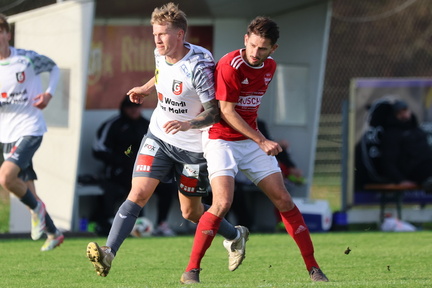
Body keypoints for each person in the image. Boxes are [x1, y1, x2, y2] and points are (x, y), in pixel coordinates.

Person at [86, 2, 247, 278]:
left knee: (190, 213)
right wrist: (146, 88)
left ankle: (235, 235)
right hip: (159, 137)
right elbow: (162, 73)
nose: (157, 39)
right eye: (154, 34)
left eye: (163, 34)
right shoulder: (159, 52)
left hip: (193, 151)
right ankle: (109, 253)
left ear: (180, 34)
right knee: (137, 194)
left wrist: (187, 123)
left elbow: (215, 113)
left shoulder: (199, 66)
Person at [180, 16, 329, 284]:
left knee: (283, 199)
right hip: (220, 139)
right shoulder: (230, 64)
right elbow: (226, 112)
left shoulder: (270, 67)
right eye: (253, 45)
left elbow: (249, 112)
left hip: (248, 141)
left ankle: (314, 268)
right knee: (222, 203)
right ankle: (192, 270)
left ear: (273, 49)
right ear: (245, 39)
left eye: (262, 48)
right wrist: (262, 140)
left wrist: (257, 140)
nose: (255, 52)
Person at [0, 14, 64, 251]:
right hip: (6, 134)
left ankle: (38, 209)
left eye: (0, 32)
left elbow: (54, 67)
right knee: (25, 186)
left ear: (7, 34)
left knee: (6, 177)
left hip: (30, 128)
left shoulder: (25, 59)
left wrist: (48, 93)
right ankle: (53, 233)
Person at [92, 95, 177, 236]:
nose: (133, 110)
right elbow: (98, 149)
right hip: (119, 173)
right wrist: (121, 161)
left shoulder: (147, 125)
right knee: (132, 190)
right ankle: (119, 225)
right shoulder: (113, 125)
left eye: (136, 107)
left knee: (167, 187)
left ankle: (162, 224)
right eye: (130, 107)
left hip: (145, 170)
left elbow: (160, 146)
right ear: (123, 108)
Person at [378, 100, 432, 189]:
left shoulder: (417, 130)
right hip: (413, 172)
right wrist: (400, 180)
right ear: (394, 115)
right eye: (399, 113)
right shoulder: (392, 135)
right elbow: (388, 161)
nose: (404, 115)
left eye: (405, 111)